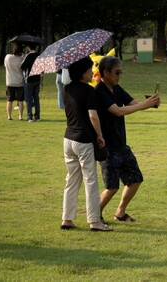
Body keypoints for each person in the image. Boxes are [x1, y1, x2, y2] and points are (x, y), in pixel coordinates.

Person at [95, 56, 161, 222]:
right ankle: (95, 215)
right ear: (105, 73)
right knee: (111, 187)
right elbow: (118, 111)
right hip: (107, 147)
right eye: (117, 73)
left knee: (135, 179)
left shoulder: (117, 89)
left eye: (120, 73)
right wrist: (144, 105)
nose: (119, 76)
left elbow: (132, 103)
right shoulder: (99, 92)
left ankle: (120, 212)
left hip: (121, 145)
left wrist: (149, 103)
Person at [61, 57, 112, 232]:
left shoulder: (66, 89)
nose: (92, 73)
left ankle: (67, 219)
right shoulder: (89, 91)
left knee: (72, 180)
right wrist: (99, 135)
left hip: (68, 139)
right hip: (84, 140)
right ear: (83, 73)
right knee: (91, 181)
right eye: (90, 70)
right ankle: (95, 221)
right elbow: (92, 116)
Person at [20, 43, 41, 121]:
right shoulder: (38, 55)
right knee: (36, 98)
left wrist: (23, 58)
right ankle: (37, 115)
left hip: (29, 80)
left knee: (28, 98)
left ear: (29, 48)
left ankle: (30, 116)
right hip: (37, 79)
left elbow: (21, 67)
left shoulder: (28, 56)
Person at [4, 45, 25, 120]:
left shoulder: (7, 57)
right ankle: (20, 116)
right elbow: (23, 69)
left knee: (9, 100)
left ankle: (9, 116)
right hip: (19, 82)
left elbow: (5, 65)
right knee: (20, 100)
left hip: (10, 81)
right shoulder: (21, 59)